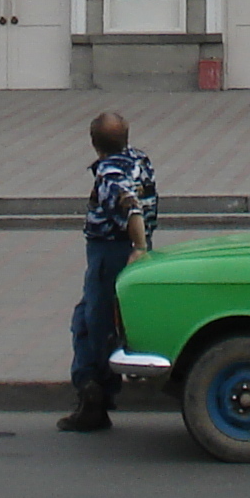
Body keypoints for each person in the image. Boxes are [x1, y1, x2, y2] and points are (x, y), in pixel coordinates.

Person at [58, 110, 155, 434]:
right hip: (125, 250)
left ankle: (93, 395)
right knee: (96, 317)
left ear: (94, 143)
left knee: (91, 323)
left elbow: (131, 207)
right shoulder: (139, 160)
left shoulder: (111, 173)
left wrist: (138, 246)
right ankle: (96, 390)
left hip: (111, 252)